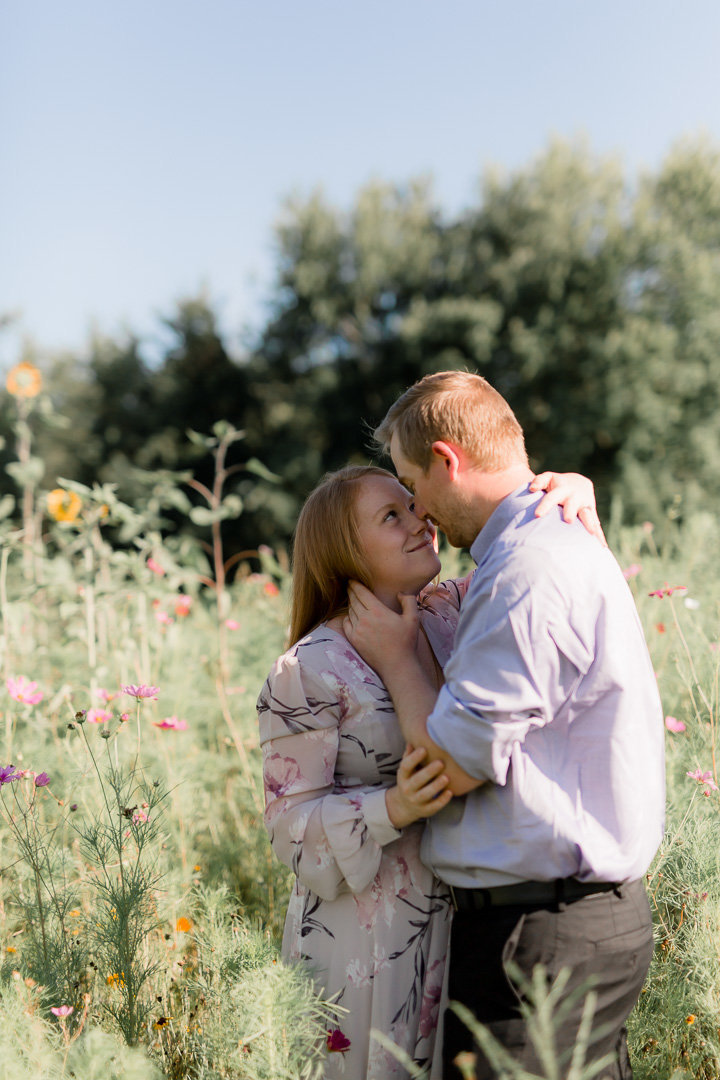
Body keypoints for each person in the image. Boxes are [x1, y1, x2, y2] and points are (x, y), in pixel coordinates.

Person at [343, 371, 665, 1080]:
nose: (418, 509)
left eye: (410, 482)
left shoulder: (528, 569)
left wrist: (399, 662)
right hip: (563, 926)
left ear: (448, 461)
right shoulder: (546, 544)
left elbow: (451, 768)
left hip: (541, 937)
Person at [257, 461, 604, 1080]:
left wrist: (569, 493)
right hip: (367, 941)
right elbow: (289, 825)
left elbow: (548, 565)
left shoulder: (459, 610)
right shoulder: (307, 669)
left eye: (413, 504)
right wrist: (391, 808)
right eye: (392, 516)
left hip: (466, 920)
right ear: (345, 550)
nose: (422, 520)